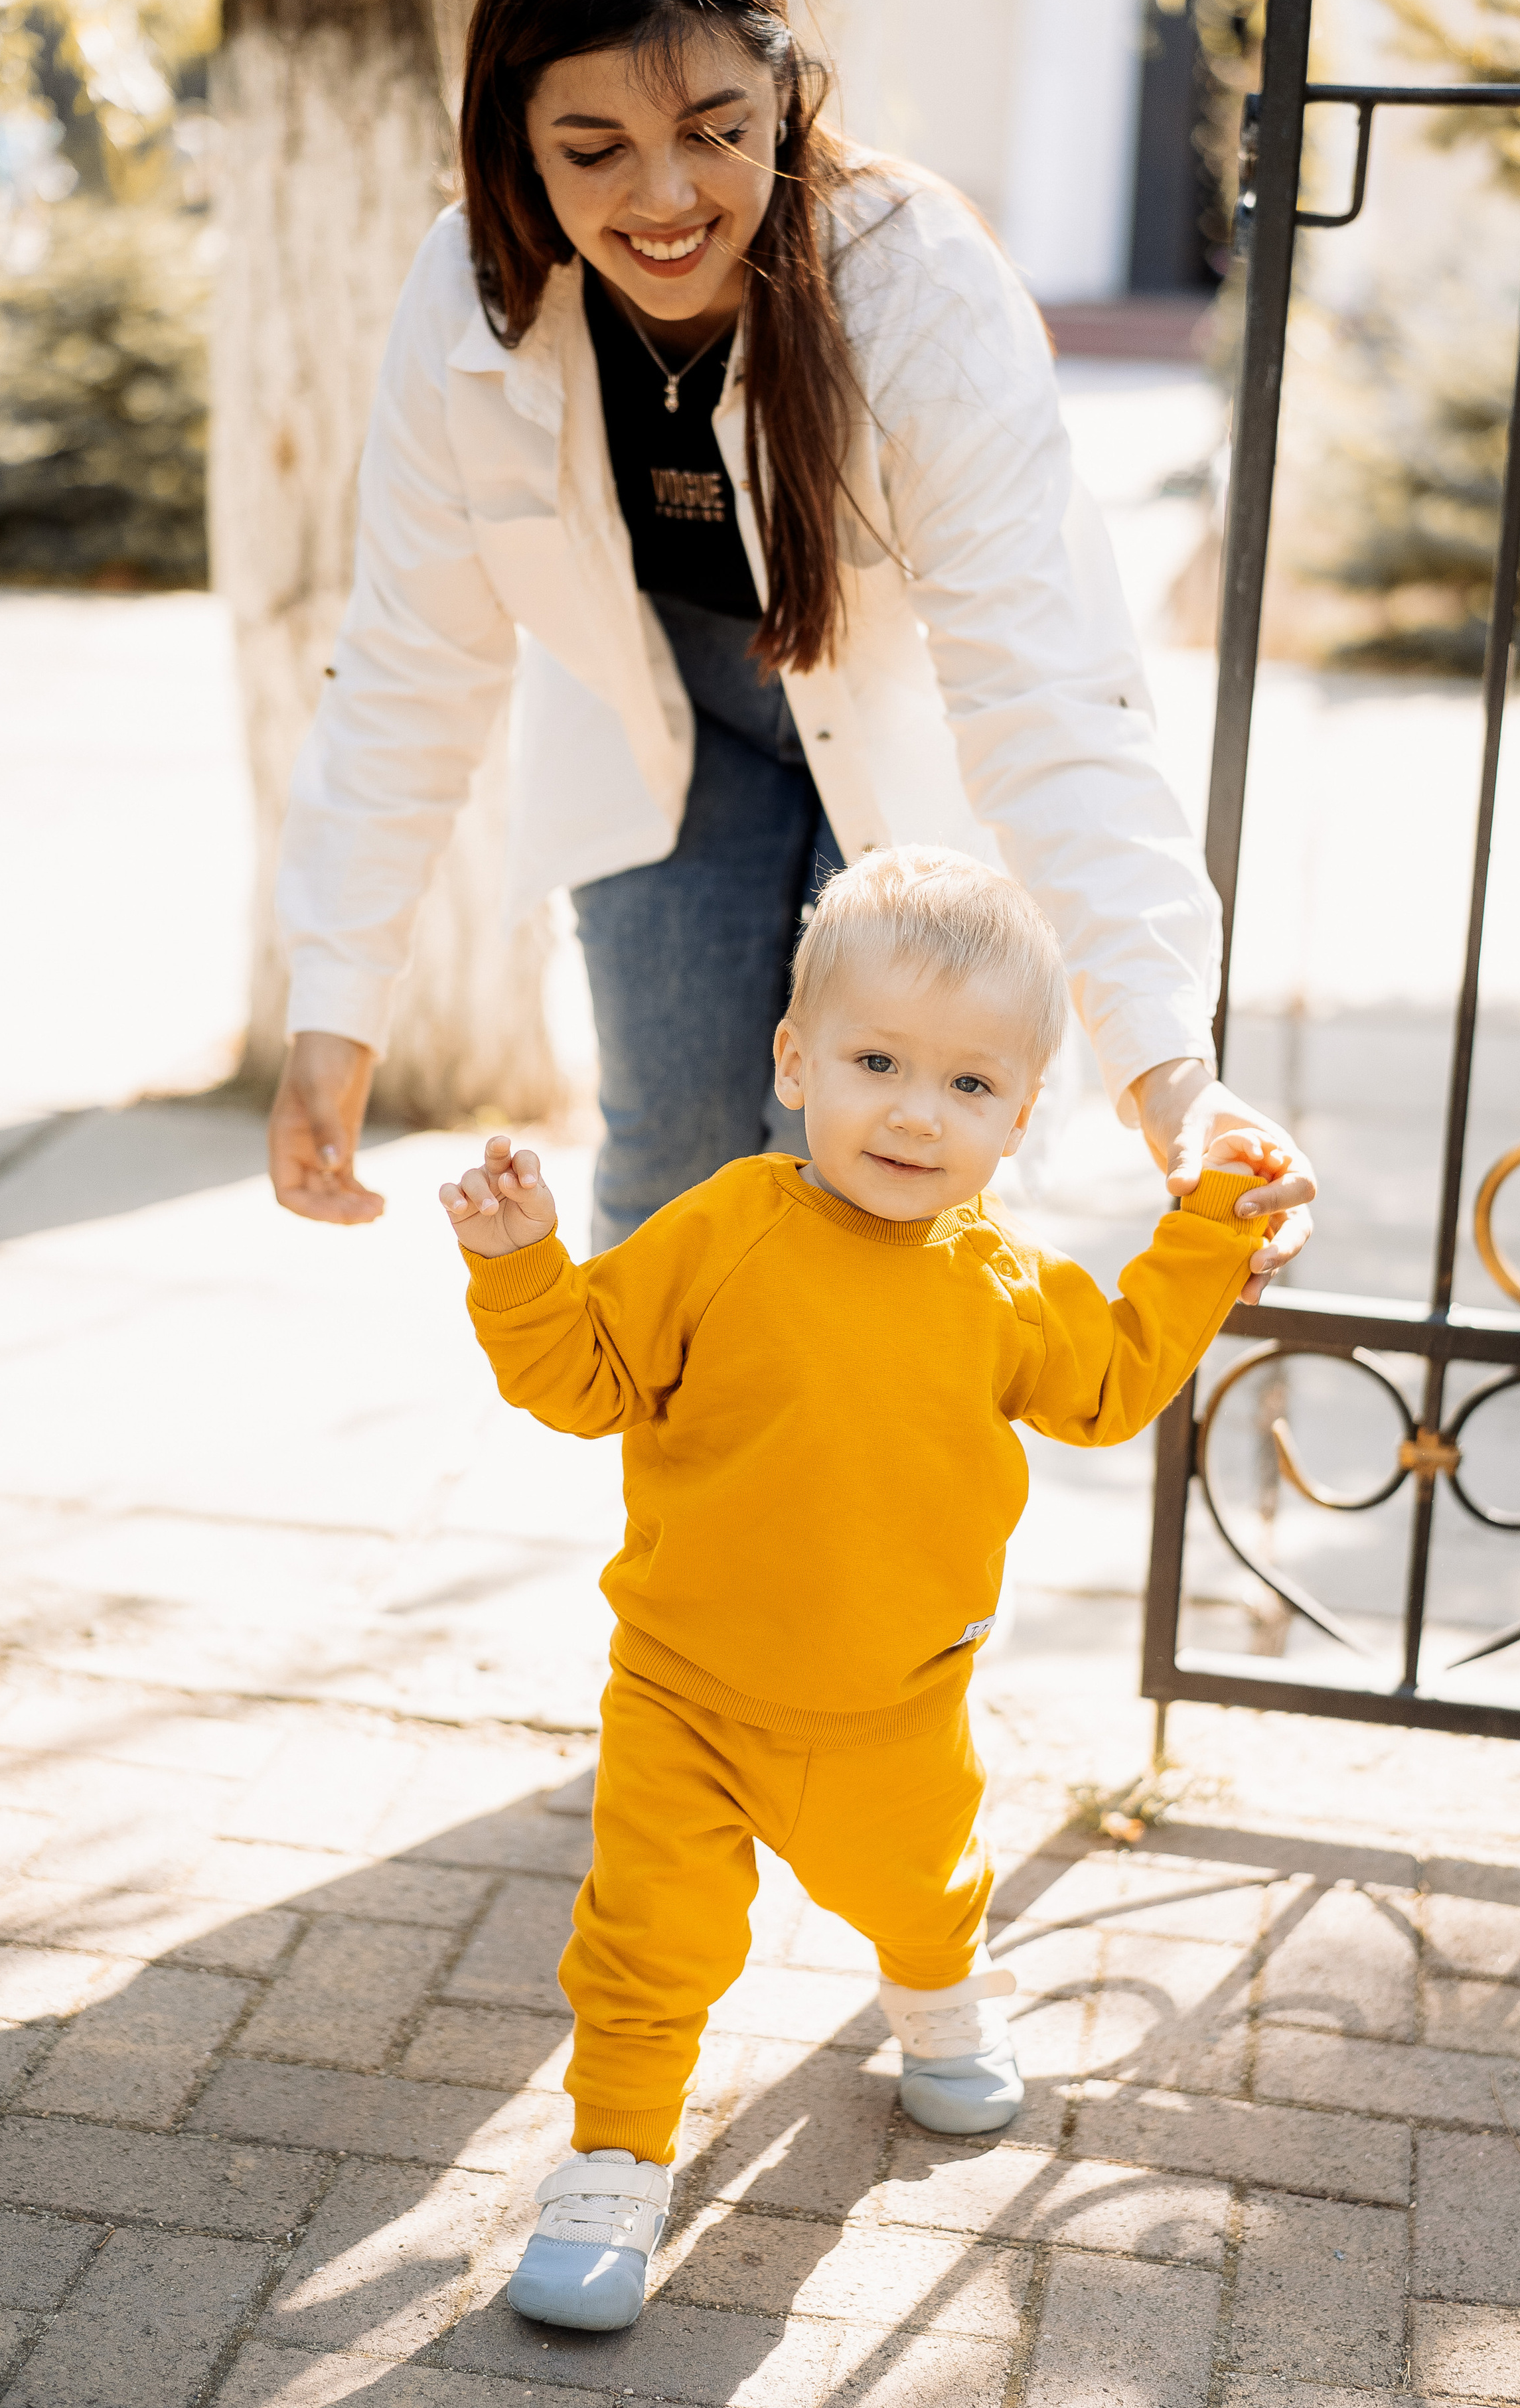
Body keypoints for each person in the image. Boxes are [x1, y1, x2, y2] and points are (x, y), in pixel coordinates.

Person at [266, 0, 1316, 1277]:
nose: (665, 197)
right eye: (593, 149)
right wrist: (335, 1008)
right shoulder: (469, 296)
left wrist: (1173, 1080)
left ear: (787, 95)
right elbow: (412, 659)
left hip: (900, 729)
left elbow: (1047, 697)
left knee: (890, 1202)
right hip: (667, 727)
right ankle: (683, 1503)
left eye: (715, 129)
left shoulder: (915, 284)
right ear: (513, 140)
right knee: (670, 1194)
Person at [439, 846, 1285, 2333]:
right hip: (682, 1692)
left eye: (968, 1086)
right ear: (793, 1058)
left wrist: (1209, 1226)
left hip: (894, 1705)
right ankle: (612, 2167)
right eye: (876, 1059)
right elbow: (585, 1376)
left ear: (1021, 1114)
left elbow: (1113, 1385)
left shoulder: (1005, 1286)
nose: (912, 1109)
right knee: (645, 1942)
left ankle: (941, 1995)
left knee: (919, 1885)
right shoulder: (720, 1229)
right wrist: (520, 1270)